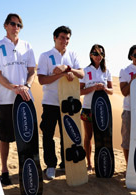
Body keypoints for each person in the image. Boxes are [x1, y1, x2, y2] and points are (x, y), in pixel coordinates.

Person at [0, 13, 36, 185]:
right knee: (5, 137)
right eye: (12, 23)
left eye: (19, 25)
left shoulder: (27, 46)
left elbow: (32, 71)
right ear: (5, 26)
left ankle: (26, 170)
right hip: (6, 100)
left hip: (25, 98)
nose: (16, 27)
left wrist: (27, 86)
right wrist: (13, 88)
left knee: (26, 137)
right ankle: (4, 171)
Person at [37, 26, 84, 180]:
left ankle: (66, 164)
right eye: (62, 37)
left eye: (67, 38)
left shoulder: (73, 54)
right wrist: (60, 74)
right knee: (48, 134)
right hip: (50, 102)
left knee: (68, 135)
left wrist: (68, 69)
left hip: (69, 103)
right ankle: (50, 165)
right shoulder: (45, 56)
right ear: (55, 38)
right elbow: (42, 80)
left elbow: (82, 74)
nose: (65, 41)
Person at [80, 44, 113, 173]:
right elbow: (79, 90)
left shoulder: (107, 71)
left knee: (103, 136)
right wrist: (93, 88)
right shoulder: (85, 71)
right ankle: (89, 163)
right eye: (95, 53)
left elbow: (111, 91)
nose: (98, 56)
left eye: (100, 54)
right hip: (88, 108)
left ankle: (102, 162)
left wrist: (104, 88)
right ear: (90, 55)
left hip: (103, 109)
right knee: (88, 136)